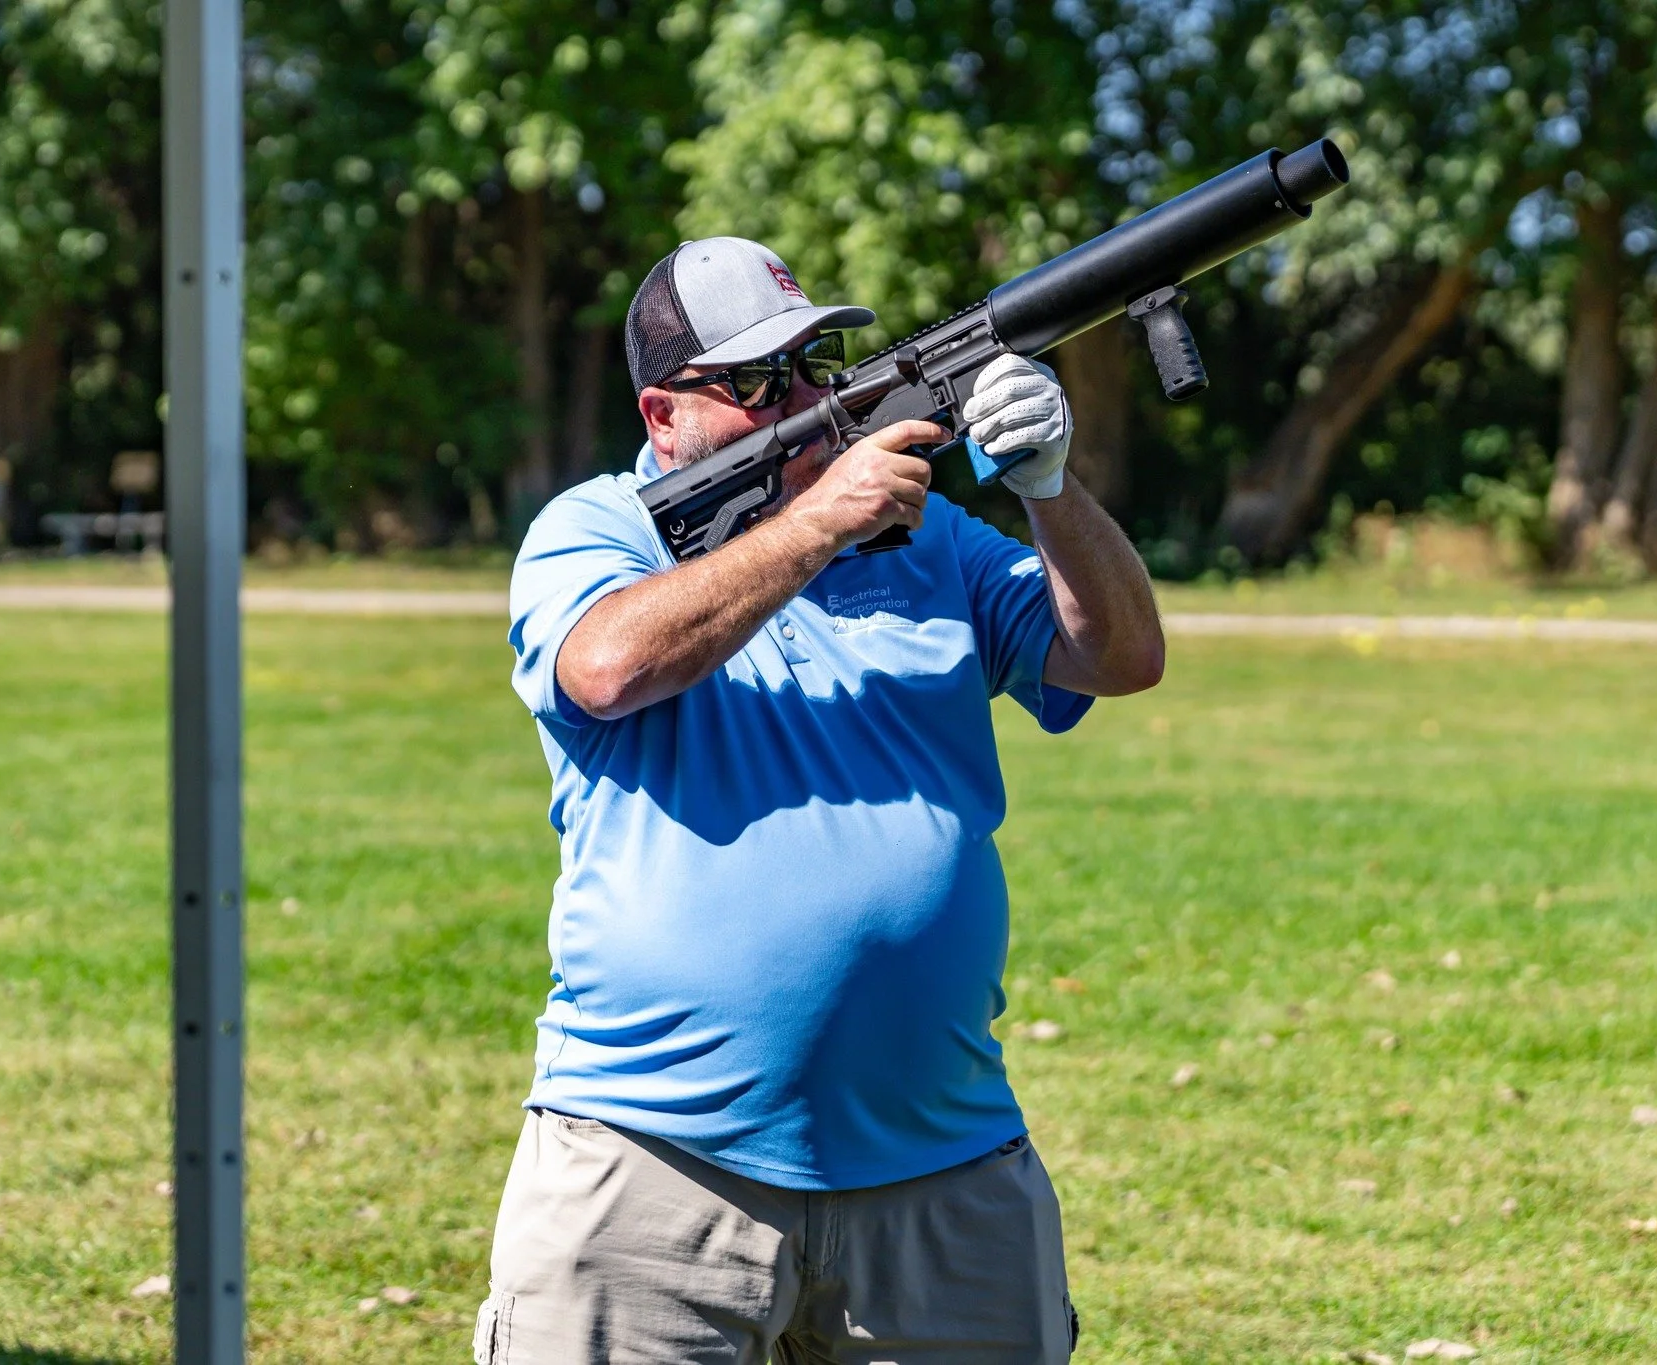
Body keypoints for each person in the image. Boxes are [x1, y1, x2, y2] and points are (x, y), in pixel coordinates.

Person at [483, 236, 1164, 1365]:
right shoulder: (598, 530)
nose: (804, 398)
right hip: (650, 1163)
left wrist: (1049, 493)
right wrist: (814, 526)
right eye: (753, 382)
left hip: (940, 1165)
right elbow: (606, 668)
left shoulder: (932, 542)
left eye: (814, 363)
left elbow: (1120, 655)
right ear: (663, 416)